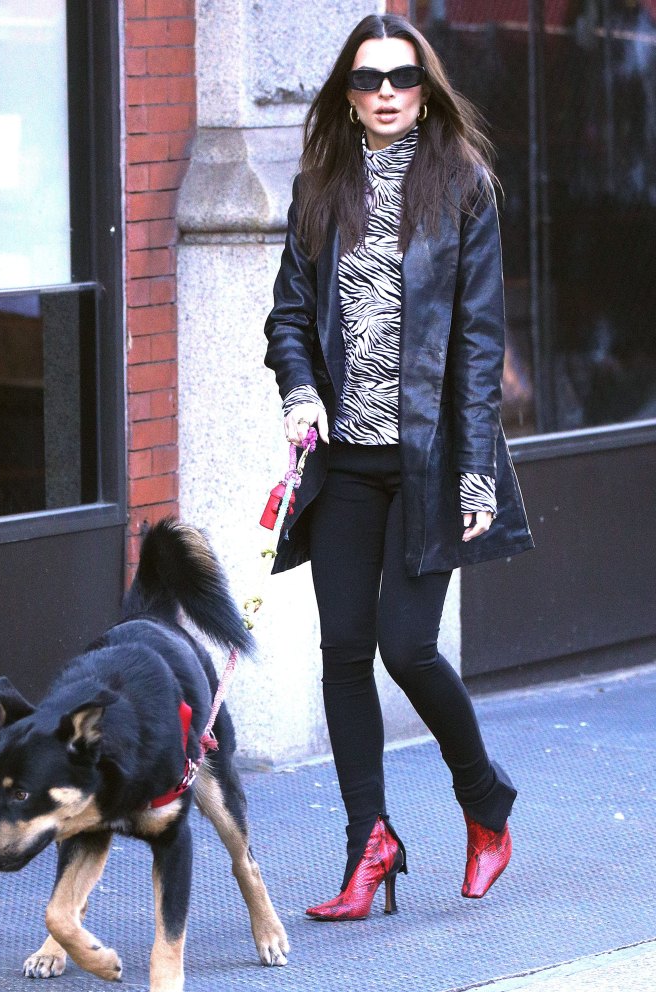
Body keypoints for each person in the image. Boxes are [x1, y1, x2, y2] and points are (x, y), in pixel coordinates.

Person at [264, 13, 534, 921]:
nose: (386, 92)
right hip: (342, 466)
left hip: (426, 465)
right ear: (347, 92)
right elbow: (289, 320)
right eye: (368, 78)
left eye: (403, 78)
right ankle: (368, 842)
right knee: (344, 650)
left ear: (426, 91)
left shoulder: (464, 188)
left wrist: (473, 474)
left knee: (406, 647)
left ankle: (483, 797)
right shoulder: (318, 186)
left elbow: (475, 341)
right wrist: (300, 392)